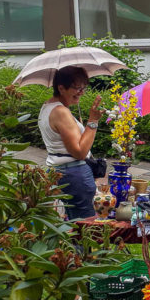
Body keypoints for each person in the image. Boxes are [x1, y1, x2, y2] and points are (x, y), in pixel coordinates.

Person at [39, 66, 104, 220]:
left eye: (84, 88)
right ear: (61, 88)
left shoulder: (47, 107)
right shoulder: (61, 112)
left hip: (60, 170)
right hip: (74, 174)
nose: (81, 92)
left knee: (71, 225)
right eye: (77, 88)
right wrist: (93, 121)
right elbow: (79, 152)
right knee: (85, 226)